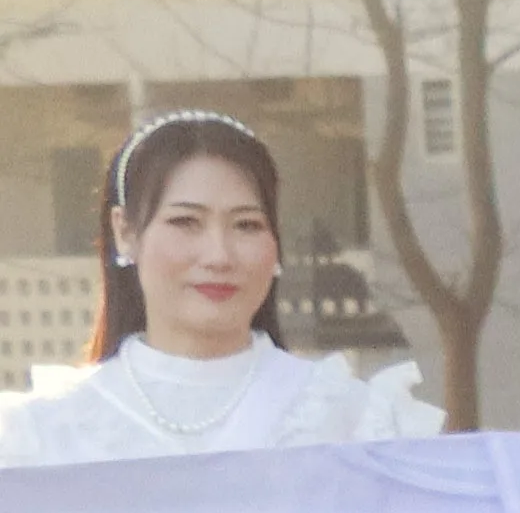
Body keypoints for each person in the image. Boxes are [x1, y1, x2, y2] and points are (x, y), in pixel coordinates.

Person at [0, 112, 437, 466]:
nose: (219, 256)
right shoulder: (43, 436)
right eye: (186, 222)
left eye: (246, 225)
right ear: (125, 231)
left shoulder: (357, 423)